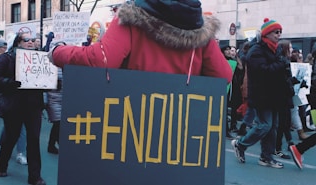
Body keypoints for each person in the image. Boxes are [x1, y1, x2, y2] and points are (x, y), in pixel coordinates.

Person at [49, 1, 232, 86]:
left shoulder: (131, 19)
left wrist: (57, 51)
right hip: (180, 127)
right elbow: (223, 76)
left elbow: (100, 60)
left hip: (133, 117)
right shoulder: (201, 31)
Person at [231, 18, 287, 168]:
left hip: (274, 95)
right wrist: (280, 64)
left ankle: (266, 157)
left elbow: (277, 69)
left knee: (272, 127)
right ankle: (241, 144)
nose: (279, 34)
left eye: (280, 31)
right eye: (276, 32)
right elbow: (263, 71)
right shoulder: (256, 50)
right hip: (262, 95)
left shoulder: (276, 49)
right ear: (267, 33)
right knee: (264, 125)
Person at [0, 32, 46, 185]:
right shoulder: (6, 58)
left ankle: (35, 176)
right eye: (26, 40)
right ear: (18, 42)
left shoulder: (41, 59)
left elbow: (46, 78)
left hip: (33, 106)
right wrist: (9, 82)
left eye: (33, 40)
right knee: (11, 137)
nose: (31, 42)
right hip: (14, 105)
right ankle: (2, 164)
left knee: (34, 140)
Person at [274, 39, 296, 159]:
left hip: (283, 95)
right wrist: (293, 82)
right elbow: (284, 80)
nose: (292, 50)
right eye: (290, 47)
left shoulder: (282, 60)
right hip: (283, 96)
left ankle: (289, 143)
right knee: (283, 123)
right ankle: (278, 148)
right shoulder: (283, 61)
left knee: (285, 122)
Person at [46, 67, 63, 154]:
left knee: (59, 124)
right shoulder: (52, 68)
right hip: (53, 99)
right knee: (58, 123)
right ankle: (53, 145)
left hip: (63, 99)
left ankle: (52, 145)